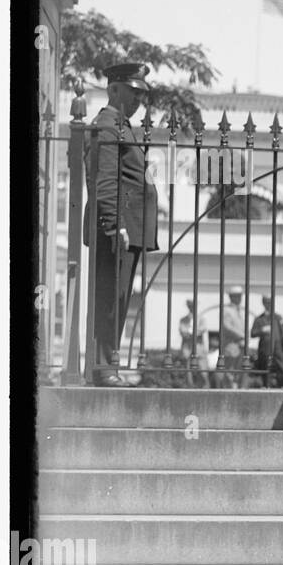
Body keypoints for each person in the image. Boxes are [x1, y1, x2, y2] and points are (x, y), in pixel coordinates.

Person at [83, 61, 159, 386]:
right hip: (117, 229)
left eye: (141, 94)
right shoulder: (107, 125)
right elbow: (104, 181)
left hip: (128, 229)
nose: (138, 99)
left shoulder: (123, 126)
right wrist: (115, 225)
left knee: (119, 298)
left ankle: (108, 365)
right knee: (110, 299)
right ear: (114, 89)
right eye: (133, 91)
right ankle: (103, 369)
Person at [251, 295, 283, 388]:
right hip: (265, 347)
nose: (268, 304)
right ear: (263, 303)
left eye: (270, 302)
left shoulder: (278, 317)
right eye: (266, 302)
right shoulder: (259, 318)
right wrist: (262, 330)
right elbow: (252, 333)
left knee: (281, 366)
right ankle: (266, 386)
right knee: (265, 366)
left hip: (278, 347)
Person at [216, 286, 249, 389]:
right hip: (231, 346)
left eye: (240, 296)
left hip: (240, 345)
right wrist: (242, 335)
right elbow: (227, 326)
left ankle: (235, 389)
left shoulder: (238, 310)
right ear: (231, 297)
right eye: (237, 296)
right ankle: (229, 391)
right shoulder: (227, 310)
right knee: (229, 370)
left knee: (238, 371)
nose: (240, 298)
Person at [177, 299, 210, 388]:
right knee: (189, 374)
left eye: (193, 305)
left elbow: (202, 329)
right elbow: (182, 331)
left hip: (199, 349)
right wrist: (194, 333)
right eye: (190, 305)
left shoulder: (201, 318)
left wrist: (191, 333)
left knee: (203, 373)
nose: (191, 307)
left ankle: (204, 389)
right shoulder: (183, 319)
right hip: (187, 349)